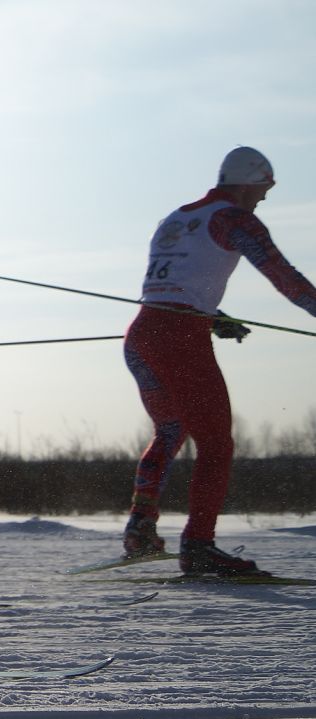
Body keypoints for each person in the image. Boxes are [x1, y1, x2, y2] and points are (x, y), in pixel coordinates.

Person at [120, 146, 316, 575]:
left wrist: (215, 318)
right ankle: (200, 545)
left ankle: (140, 527)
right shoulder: (235, 219)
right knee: (216, 444)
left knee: (171, 428)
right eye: (264, 188)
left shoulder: (176, 217)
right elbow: (285, 277)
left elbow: (177, 281)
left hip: (141, 336)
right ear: (250, 182)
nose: (264, 197)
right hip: (180, 340)